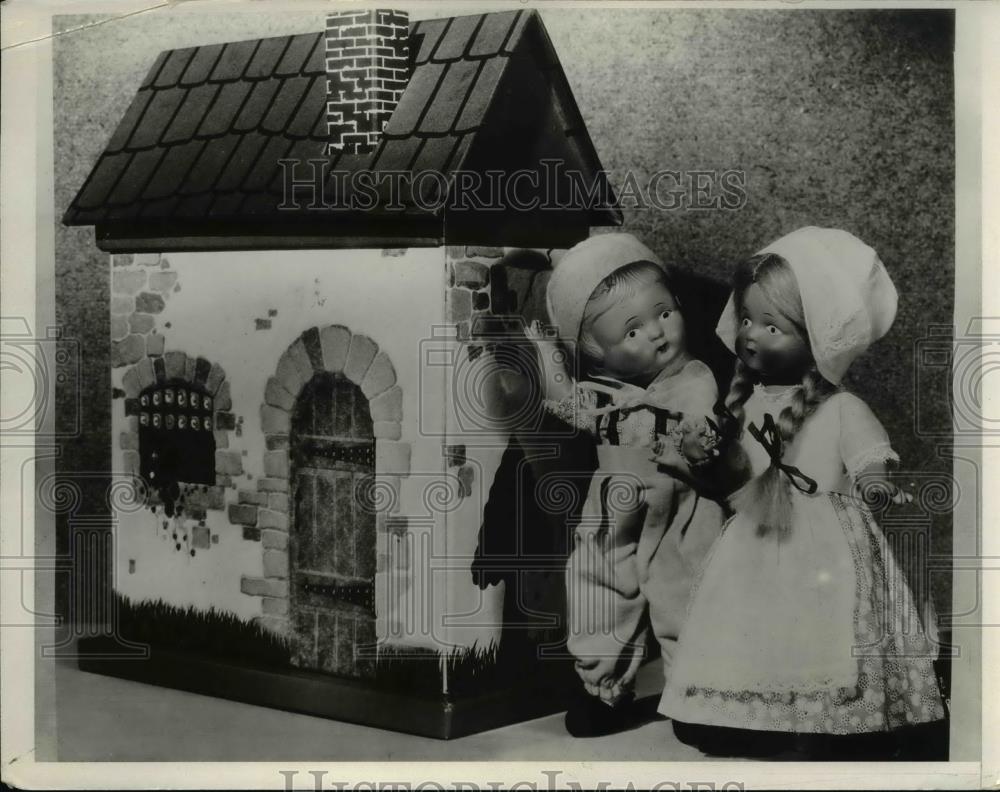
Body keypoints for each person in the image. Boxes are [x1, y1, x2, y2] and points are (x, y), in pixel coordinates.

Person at [658, 227, 946, 758]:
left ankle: (823, 716)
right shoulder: (740, 405)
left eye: (773, 325)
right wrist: (700, 460)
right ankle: (738, 711)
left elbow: (869, 463)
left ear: (821, 337)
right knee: (744, 623)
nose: (752, 336)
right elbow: (732, 484)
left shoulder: (840, 409)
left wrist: (876, 488)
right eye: (747, 319)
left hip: (824, 545)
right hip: (753, 539)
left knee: (822, 629)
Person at [533, 233, 727, 737]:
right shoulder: (606, 392)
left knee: (685, 594)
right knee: (599, 586)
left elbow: (700, 423)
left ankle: (698, 696)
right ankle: (603, 689)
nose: (658, 334)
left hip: (681, 505)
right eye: (632, 331)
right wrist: (546, 355)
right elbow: (573, 407)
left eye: (663, 312)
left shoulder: (694, 378)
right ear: (597, 353)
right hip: (614, 506)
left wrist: (698, 443)